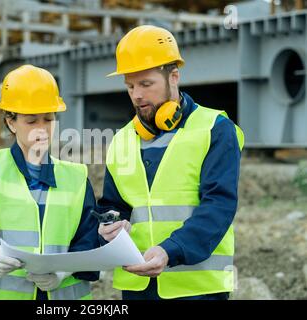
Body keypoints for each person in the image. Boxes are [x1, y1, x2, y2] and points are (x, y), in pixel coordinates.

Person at [97, 25, 245, 300]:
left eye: (146, 84)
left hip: (199, 289)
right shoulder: (123, 139)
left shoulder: (215, 128)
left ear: (173, 77)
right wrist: (111, 224)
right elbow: (114, 205)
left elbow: (219, 205)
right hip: (137, 286)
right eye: (130, 86)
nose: (136, 95)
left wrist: (171, 249)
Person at [0, 64, 99, 300]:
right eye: (31, 122)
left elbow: (88, 241)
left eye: (48, 120)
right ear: (11, 122)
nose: (41, 130)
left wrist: (63, 271)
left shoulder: (77, 177)